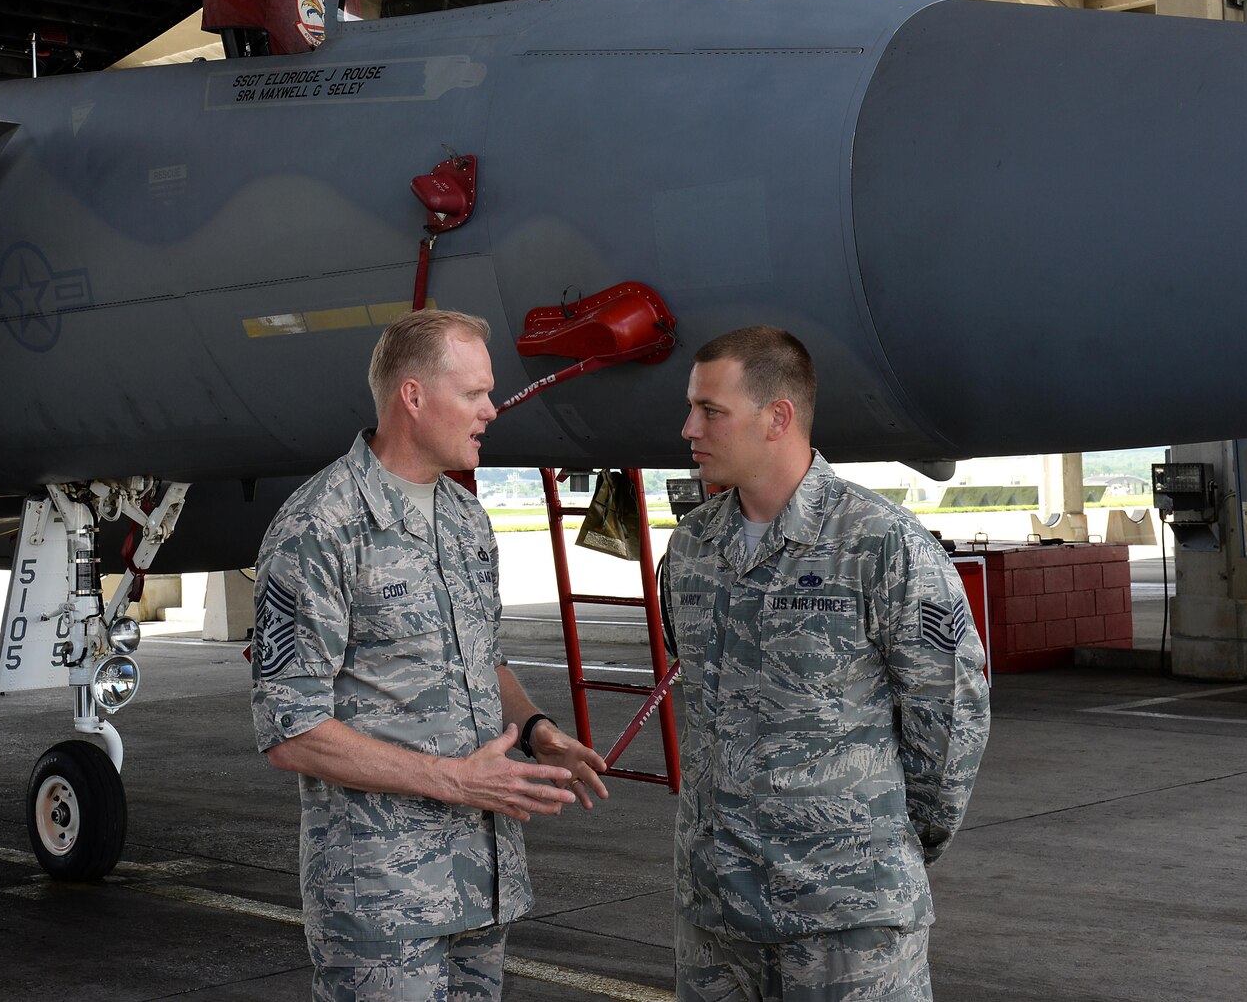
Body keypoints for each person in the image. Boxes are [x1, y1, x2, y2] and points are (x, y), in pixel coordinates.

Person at [252, 308, 611, 1000]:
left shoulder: (466, 517)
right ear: (412, 397)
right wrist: (456, 780)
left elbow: (485, 658)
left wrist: (537, 732)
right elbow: (290, 732)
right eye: (474, 392)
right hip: (382, 903)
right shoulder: (317, 527)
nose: (492, 408)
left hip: (483, 886)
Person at [660, 325, 989, 1002]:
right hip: (718, 922)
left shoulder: (880, 545)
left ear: (777, 416)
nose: (689, 426)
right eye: (692, 406)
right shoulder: (690, 548)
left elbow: (951, 719)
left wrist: (878, 847)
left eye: (710, 409)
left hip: (846, 924)